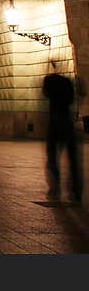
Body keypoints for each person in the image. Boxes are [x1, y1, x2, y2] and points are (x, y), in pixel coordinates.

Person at [42, 71, 82, 203]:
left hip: (54, 123)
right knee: (72, 158)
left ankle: (55, 188)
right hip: (67, 121)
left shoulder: (49, 82)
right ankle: (76, 190)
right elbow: (71, 100)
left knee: (52, 156)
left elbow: (46, 94)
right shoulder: (67, 83)